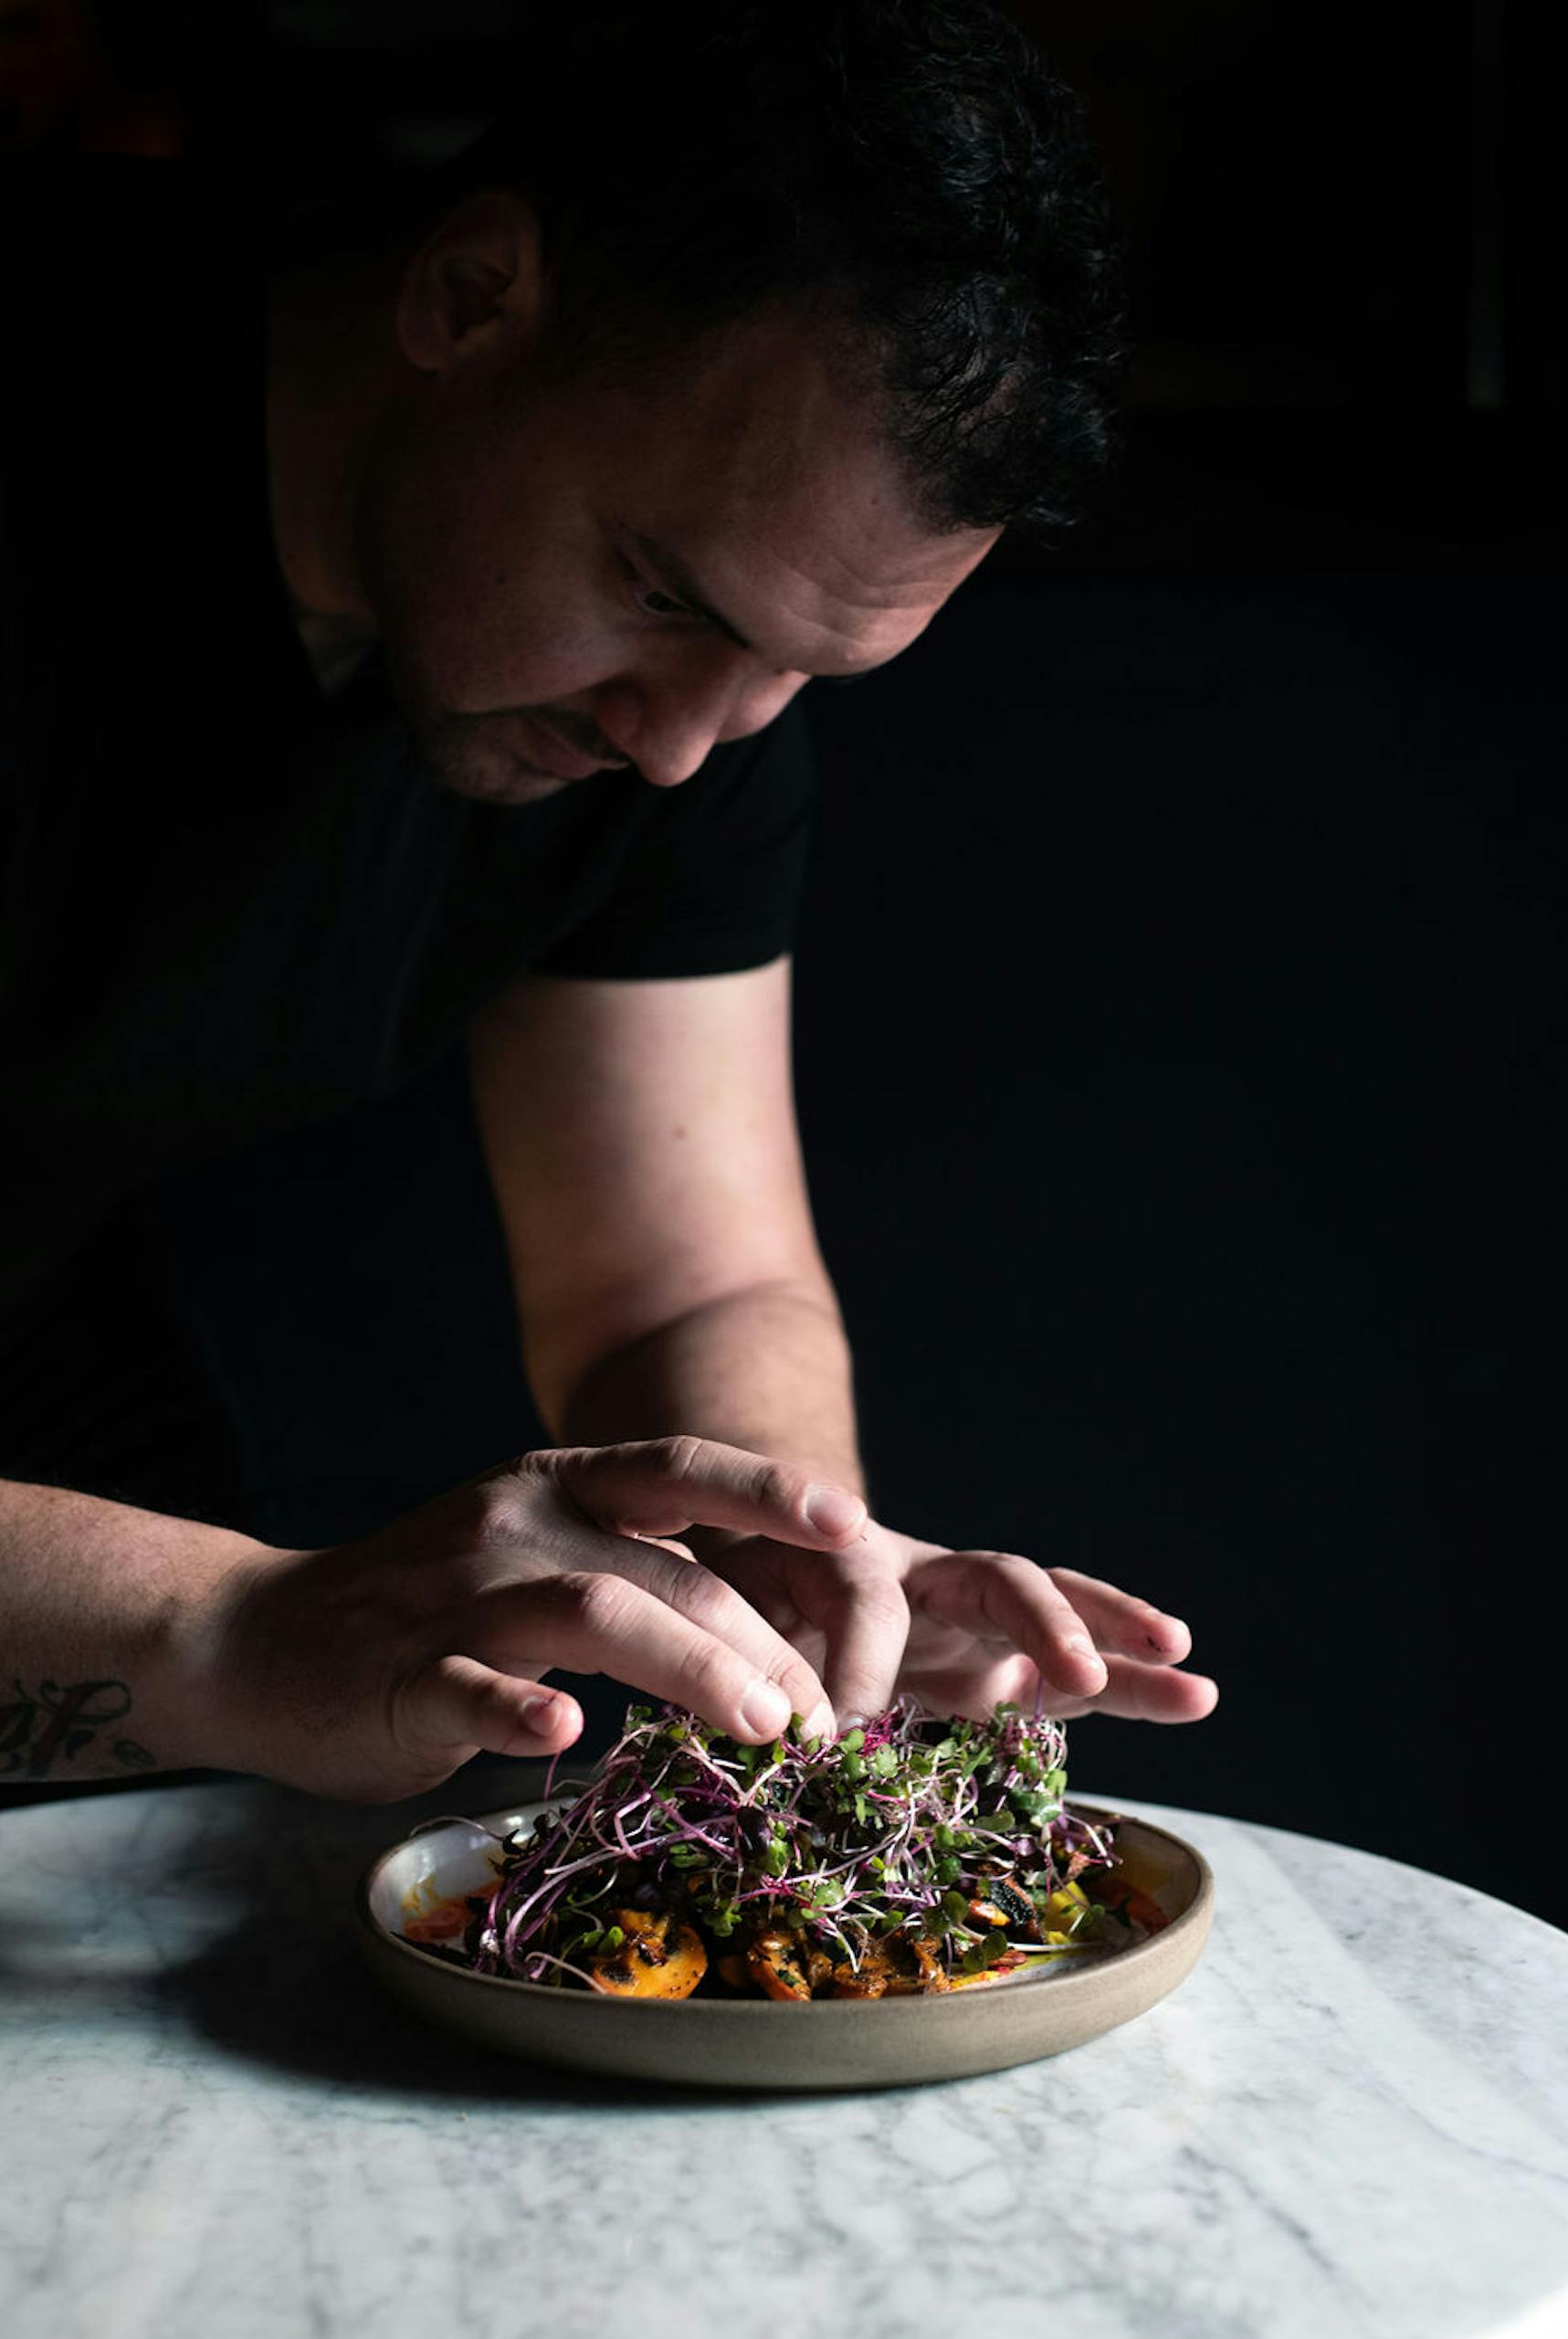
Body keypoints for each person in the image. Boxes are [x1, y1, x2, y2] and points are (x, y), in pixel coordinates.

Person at [0, 1, 1216, 1802]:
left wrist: (801, 1566)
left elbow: (680, 1284)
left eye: (798, 674)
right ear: (473, 297)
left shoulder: (676, 713)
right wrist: (245, 1626)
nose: (681, 755)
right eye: (663, 593)